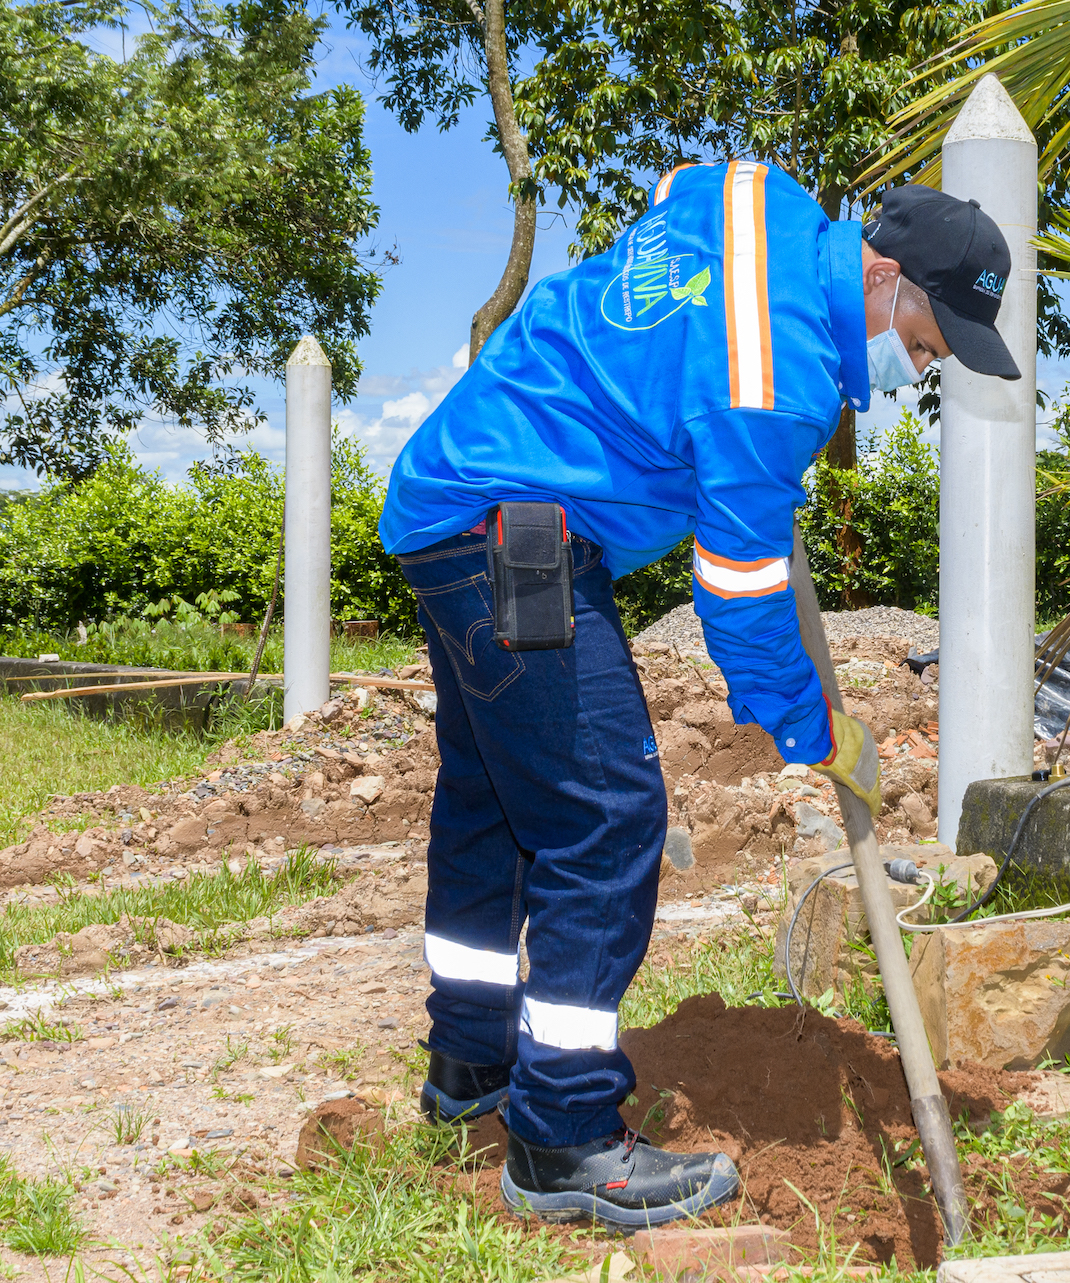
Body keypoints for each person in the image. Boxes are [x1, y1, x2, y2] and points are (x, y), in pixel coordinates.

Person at [375, 168, 1021, 1229]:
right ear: (883, 275)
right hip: (517, 528)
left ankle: (470, 1064)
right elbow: (740, 600)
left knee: (492, 801)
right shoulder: (780, 383)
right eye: (923, 339)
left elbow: (684, 186)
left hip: (453, 498)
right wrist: (817, 730)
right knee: (604, 816)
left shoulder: (763, 202)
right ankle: (561, 1138)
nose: (921, 365)